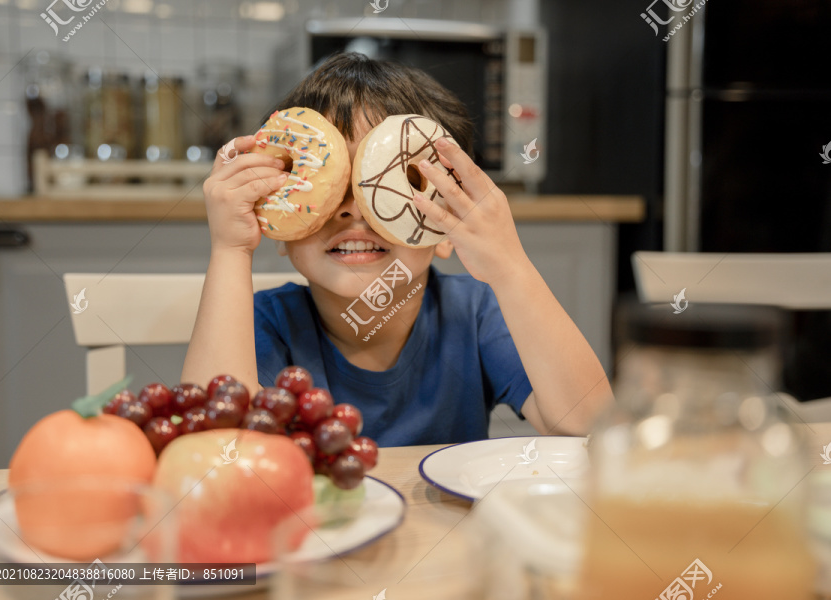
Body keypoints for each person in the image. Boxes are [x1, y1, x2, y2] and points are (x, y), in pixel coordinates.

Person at [181, 52, 613, 446]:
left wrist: (511, 267)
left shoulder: (472, 314)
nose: (353, 210)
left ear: (446, 231)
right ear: (280, 227)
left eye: (390, 183)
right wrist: (231, 250)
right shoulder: (267, 325)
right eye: (331, 185)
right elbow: (214, 446)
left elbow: (587, 424)